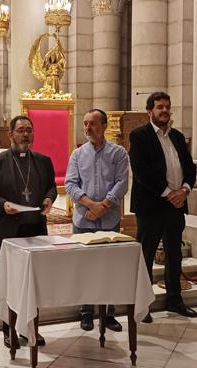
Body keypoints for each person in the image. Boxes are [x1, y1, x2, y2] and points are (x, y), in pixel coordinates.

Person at [0, 115, 58, 349]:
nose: (26, 135)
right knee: (11, 283)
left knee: (34, 283)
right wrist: (3, 205)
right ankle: (10, 330)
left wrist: (47, 199)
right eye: (21, 130)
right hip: (9, 232)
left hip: (35, 228)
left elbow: (51, 187)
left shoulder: (43, 161)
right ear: (10, 134)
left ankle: (31, 329)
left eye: (29, 130)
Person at [129, 92, 197, 322]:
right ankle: (144, 304)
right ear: (150, 111)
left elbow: (190, 168)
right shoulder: (139, 136)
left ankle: (174, 299)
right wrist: (171, 194)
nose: (164, 111)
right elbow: (142, 173)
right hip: (151, 205)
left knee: (174, 253)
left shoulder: (178, 137)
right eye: (160, 107)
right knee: (146, 255)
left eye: (167, 107)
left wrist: (185, 190)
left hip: (176, 206)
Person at [64, 109, 129, 332]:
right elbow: (70, 184)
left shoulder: (118, 153)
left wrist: (104, 206)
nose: (88, 128)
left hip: (109, 219)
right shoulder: (77, 154)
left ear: (104, 126)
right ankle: (86, 311)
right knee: (84, 266)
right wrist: (92, 205)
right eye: (85, 124)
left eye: (92, 124)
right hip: (84, 219)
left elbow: (122, 183)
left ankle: (109, 312)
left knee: (109, 266)